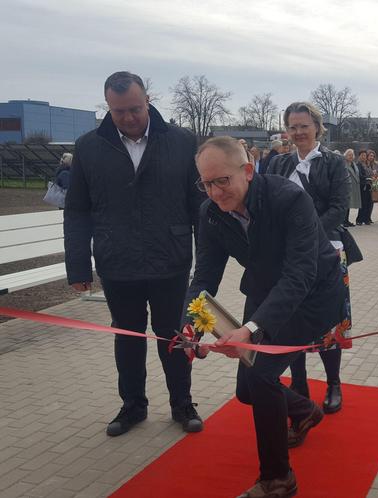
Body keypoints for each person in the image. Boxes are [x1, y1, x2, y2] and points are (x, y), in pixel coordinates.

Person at [190, 136, 348, 498]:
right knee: (246, 390)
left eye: (222, 181)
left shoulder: (289, 199)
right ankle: (305, 410)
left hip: (313, 295)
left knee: (261, 377)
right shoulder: (210, 212)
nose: (214, 192)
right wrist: (190, 326)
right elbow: (204, 277)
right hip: (264, 290)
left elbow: (300, 275)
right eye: (206, 183)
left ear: (247, 171)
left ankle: (278, 479)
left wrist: (251, 329)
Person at [64, 71, 206, 437]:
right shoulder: (89, 148)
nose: (128, 118)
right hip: (117, 261)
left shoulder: (180, 141)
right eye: (118, 111)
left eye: (135, 109)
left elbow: (198, 204)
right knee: (127, 336)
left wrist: (207, 261)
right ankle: (133, 405)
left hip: (170, 259)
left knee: (172, 336)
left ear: (148, 101)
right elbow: (77, 209)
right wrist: (78, 265)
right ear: (107, 107)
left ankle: (182, 403)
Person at [266, 101, 351, 414]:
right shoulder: (277, 164)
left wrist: (306, 238)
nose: (298, 132)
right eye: (293, 127)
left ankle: (333, 383)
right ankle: (298, 382)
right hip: (287, 257)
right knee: (290, 319)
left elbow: (339, 209)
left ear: (317, 127)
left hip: (326, 251)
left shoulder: (334, 163)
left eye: (304, 126)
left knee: (330, 322)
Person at [343, 149, 362, 227]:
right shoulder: (343, 164)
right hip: (347, 186)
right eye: (349, 155)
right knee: (346, 205)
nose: (351, 156)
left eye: (352, 155)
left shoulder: (353, 164)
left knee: (350, 205)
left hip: (354, 187)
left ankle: (347, 220)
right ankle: (343, 221)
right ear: (345, 156)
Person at [356, 150, 374, 225]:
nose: (364, 157)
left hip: (369, 185)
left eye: (365, 155)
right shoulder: (358, 164)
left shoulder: (367, 164)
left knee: (368, 203)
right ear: (359, 156)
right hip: (363, 185)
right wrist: (367, 178)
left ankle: (366, 218)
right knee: (363, 203)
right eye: (362, 155)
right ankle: (359, 219)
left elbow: (371, 173)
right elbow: (360, 175)